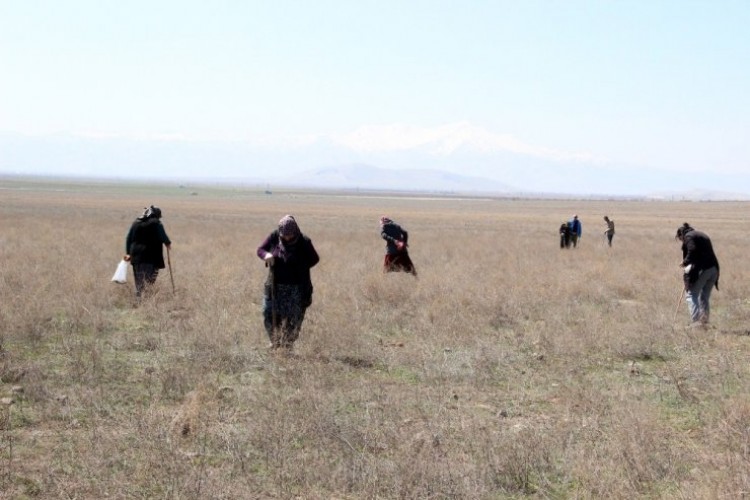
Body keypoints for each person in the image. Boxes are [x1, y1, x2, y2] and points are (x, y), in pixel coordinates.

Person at [257, 215, 319, 349]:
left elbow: (314, 259)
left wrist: (300, 266)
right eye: (284, 235)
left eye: (290, 235)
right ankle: (274, 342)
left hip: (296, 288)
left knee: (293, 319)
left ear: (295, 231)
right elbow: (260, 250)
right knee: (269, 313)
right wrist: (267, 255)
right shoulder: (274, 237)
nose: (287, 238)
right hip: (274, 286)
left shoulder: (304, 242)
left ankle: (287, 346)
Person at [676, 222, 720, 325]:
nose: (682, 241)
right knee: (704, 296)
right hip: (714, 269)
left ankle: (696, 323)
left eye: (680, 239)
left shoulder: (689, 236)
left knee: (691, 294)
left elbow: (692, 250)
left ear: (681, 235)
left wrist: (685, 262)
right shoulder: (701, 235)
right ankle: (704, 322)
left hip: (704, 269)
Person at [125, 205, 172, 298]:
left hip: (135, 255)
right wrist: (167, 243)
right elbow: (163, 237)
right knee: (148, 279)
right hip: (150, 256)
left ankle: (139, 298)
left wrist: (128, 254)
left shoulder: (136, 223)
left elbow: (128, 239)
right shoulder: (156, 224)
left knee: (139, 278)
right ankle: (144, 299)